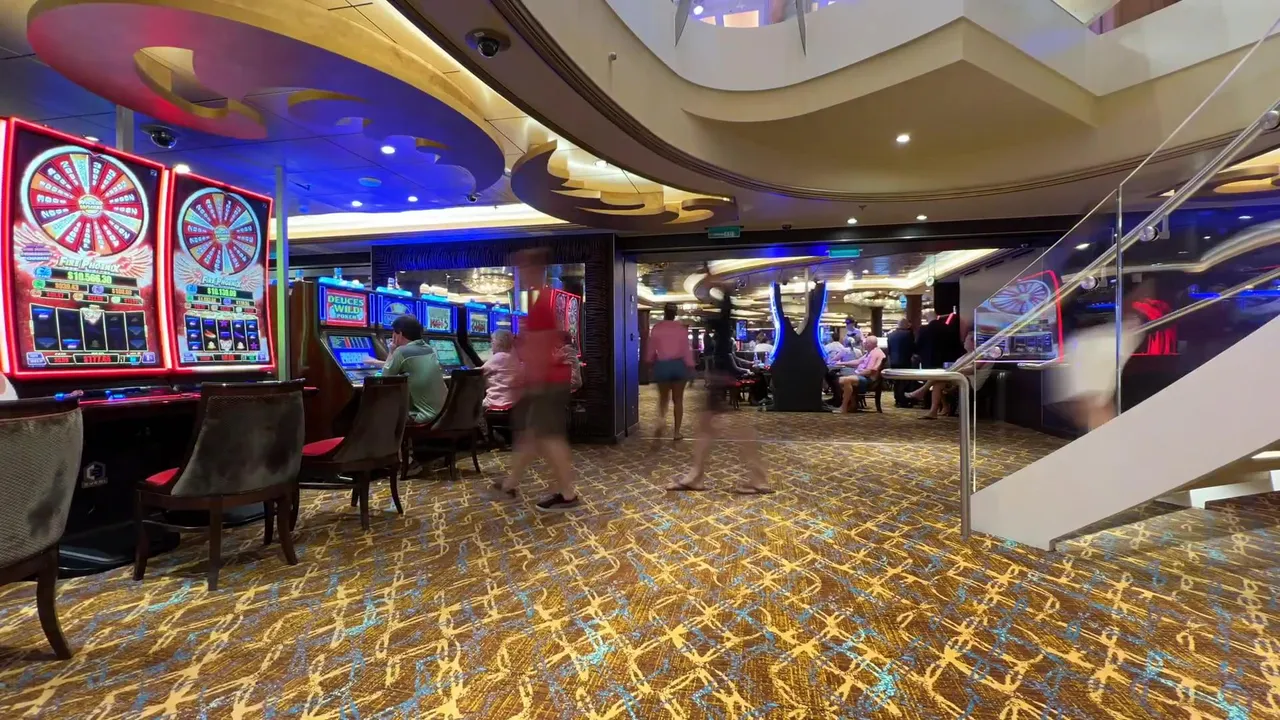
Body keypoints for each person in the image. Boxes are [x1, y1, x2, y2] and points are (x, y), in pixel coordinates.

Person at [496, 248, 580, 511]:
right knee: (532, 436)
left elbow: (542, 347)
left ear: (535, 269)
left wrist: (532, 381)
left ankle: (568, 494)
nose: (520, 273)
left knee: (550, 438)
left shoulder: (541, 303)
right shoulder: (538, 301)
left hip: (546, 382)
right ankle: (510, 484)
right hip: (547, 380)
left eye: (523, 267)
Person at [668, 285, 772, 494]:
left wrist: (712, 284)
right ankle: (697, 475)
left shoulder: (723, 325)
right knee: (708, 428)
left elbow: (721, 312)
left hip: (721, 378)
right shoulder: (722, 329)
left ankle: (757, 478)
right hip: (720, 377)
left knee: (735, 429)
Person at [381, 315, 448, 424]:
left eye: (393, 332)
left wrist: (391, 351)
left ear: (400, 334)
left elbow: (384, 378)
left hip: (424, 417)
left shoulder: (401, 351)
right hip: (444, 413)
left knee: (379, 412)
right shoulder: (430, 349)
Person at [647, 303, 695, 441]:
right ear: (675, 314)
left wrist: (649, 363)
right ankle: (676, 432)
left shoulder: (657, 328)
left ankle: (661, 421)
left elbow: (651, 349)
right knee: (678, 400)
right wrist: (691, 366)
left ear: (664, 312)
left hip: (662, 365)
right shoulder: (681, 329)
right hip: (678, 365)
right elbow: (686, 350)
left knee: (663, 398)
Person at [838, 335, 885, 413]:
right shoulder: (870, 352)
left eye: (866, 343)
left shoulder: (877, 353)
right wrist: (841, 363)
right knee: (840, 380)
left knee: (847, 380)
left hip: (870, 379)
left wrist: (858, 373)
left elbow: (872, 370)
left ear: (870, 344)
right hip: (864, 375)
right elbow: (857, 362)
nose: (864, 344)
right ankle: (853, 403)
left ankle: (844, 407)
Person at [481, 329, 519, 410]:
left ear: (499, 342)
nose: (491, 344)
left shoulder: (499, 357)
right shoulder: (513, 358)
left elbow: (478, 373)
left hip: (497, 403)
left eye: (492, 341)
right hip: (513, 403)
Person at [886, 318, 917, 408]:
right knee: (905, 381)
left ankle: (897, 399)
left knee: (897, 381)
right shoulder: (908, 334)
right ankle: (903, 400)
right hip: (905, 360)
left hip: (893, 361)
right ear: (905, 325)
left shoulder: (890, 335)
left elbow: (889, 350)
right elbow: (912, 348)